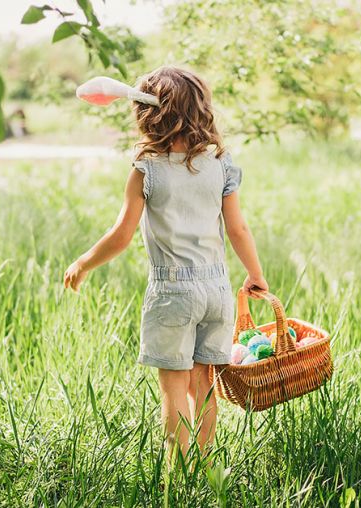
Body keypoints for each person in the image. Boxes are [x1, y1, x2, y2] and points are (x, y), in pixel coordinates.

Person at [63, 66, 267, 458]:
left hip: (173, 292)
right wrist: (255, 274)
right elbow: (238, 229)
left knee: (173, 387)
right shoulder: (221, 164)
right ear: (200, 111)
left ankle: (177, 470)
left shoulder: (146, 169)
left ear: (148, 114)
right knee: (203, 382)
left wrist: (84, 262)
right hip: (216, 290)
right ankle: (207, 465)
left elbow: (121, 235)